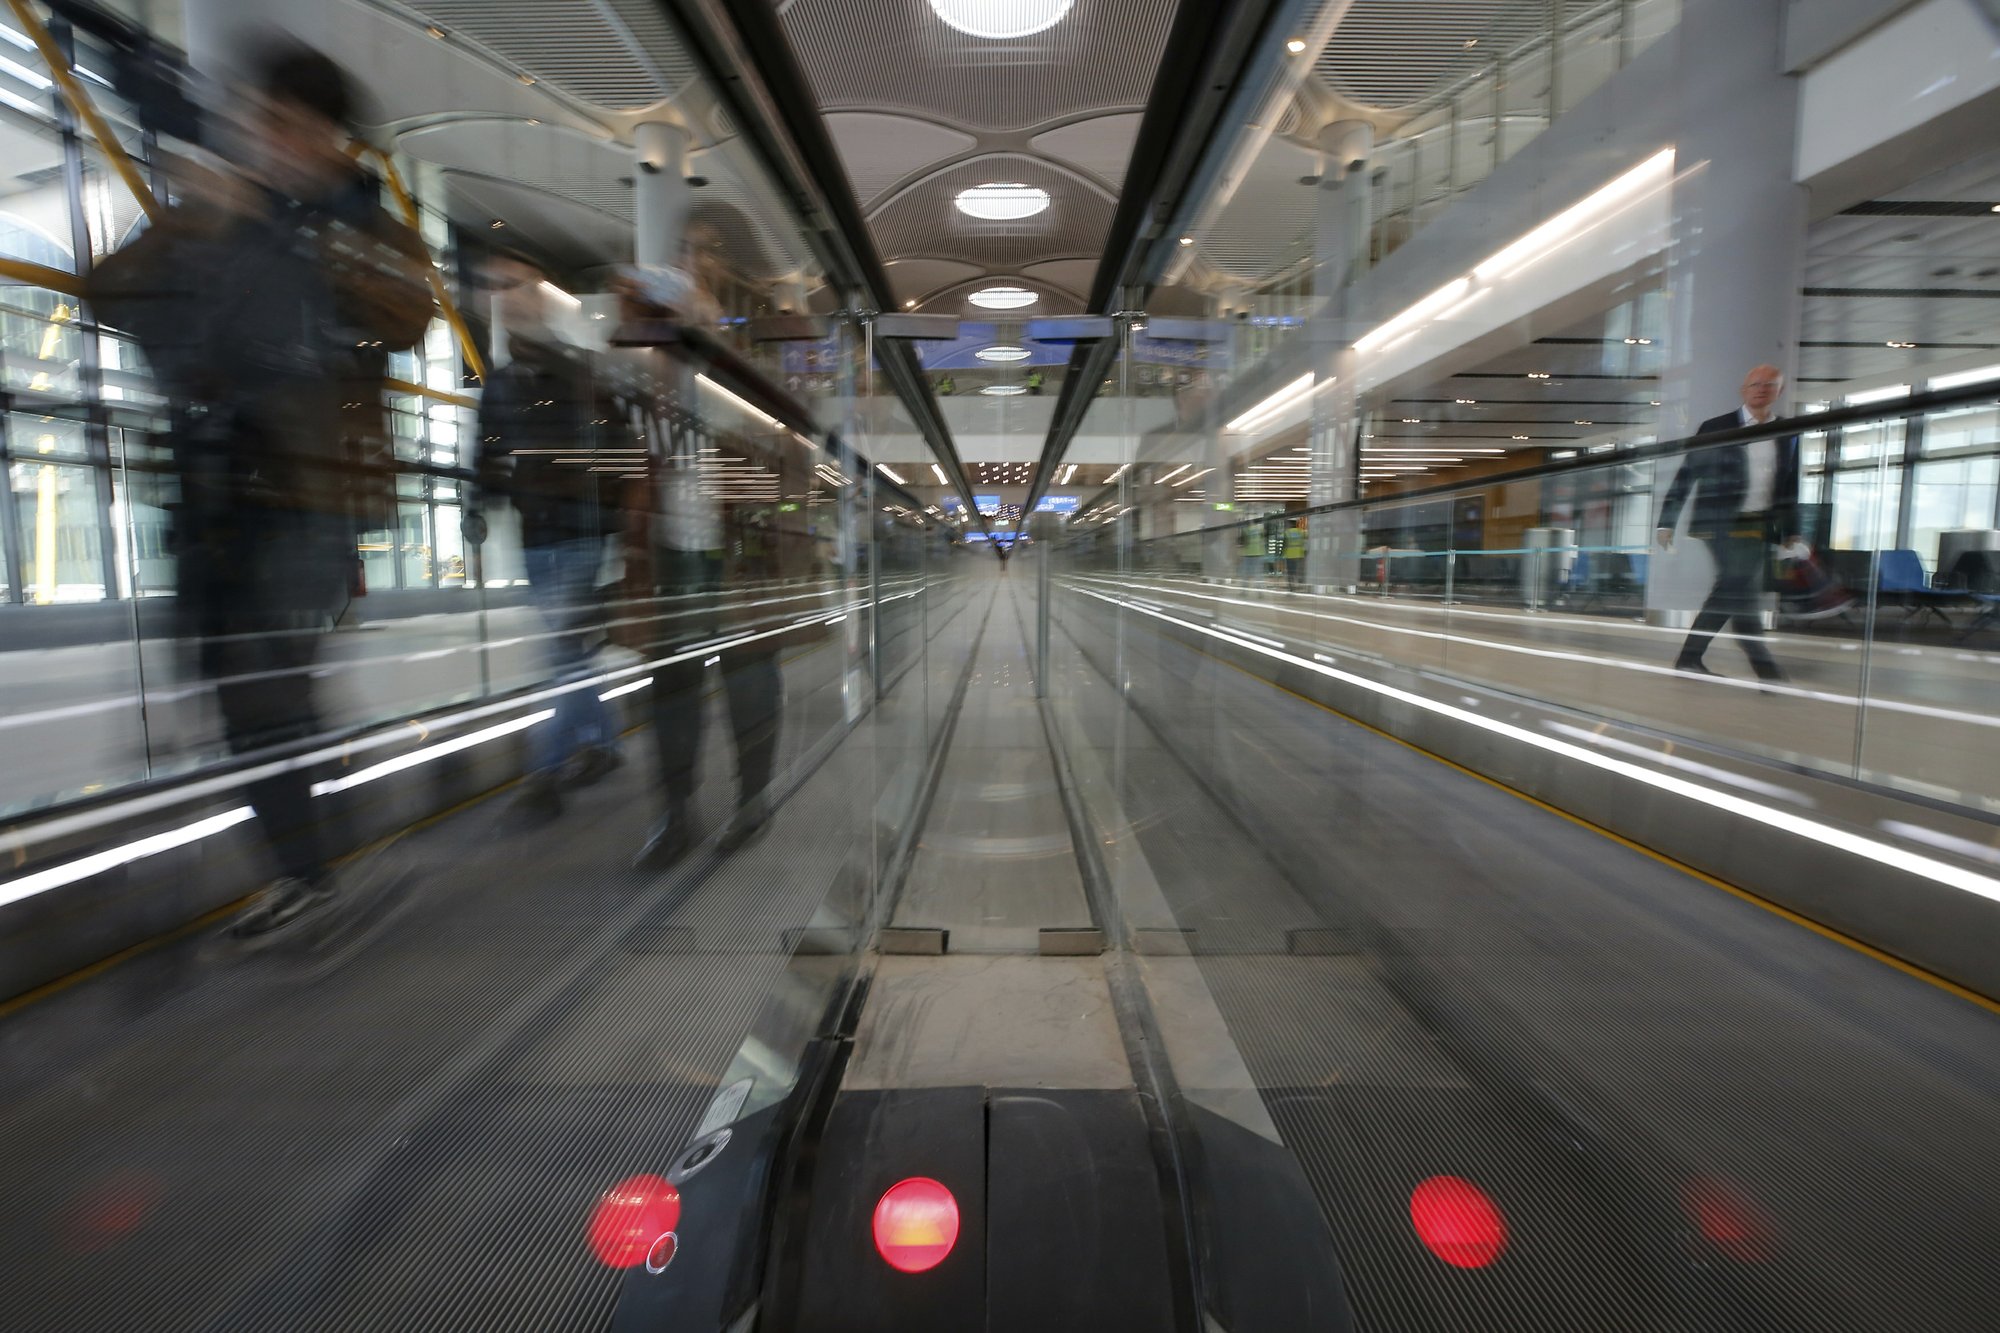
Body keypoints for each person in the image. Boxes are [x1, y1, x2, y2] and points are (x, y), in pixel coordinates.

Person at [88, 42, 434, 934]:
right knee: (225, 682)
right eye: (262, 121)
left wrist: (290, 235)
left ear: (333, 141)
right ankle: (314, 854)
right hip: (212, 494)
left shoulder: (366, 225)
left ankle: (314, 867)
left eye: (291, 127)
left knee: (263, 684)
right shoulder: (216, 209)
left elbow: (407, 314)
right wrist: (192, 222)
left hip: (312, 492)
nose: (271, 141)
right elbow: (105, 293)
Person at [612, 264, 799, 871]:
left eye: (647, 320)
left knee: (748, 682)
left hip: (738, 560)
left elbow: (784, 464)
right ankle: (675, 812)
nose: (637, 334)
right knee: (673, 690)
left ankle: (752, 799)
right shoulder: (632, 388)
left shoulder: (736, 385)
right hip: (670, 560)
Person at [469, 251, 624, 823]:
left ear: (538, 295)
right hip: (537, 534)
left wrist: (612, 523)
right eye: (492, 286)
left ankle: (545, 772)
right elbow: (486, 449)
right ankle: (605, 744)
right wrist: (476, 505)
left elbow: (617, 450)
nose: (502, 296)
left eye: (512, 285)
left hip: (580, 533)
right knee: (572, 654)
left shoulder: (577, 370)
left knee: (562, 652)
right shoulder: (502, 383)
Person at [1654, 364, 1800, 682]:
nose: (1761, 389)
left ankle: (1690, 660)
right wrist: (1666, 522)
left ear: (1780, 390)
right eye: (1755, 384)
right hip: (1719, 523)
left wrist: (1791, 531)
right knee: (1735, 586)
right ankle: (1767, 671)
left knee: (1736, 591)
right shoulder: (1716, 427)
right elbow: (1687, 474)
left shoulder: (1787, 432)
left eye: (1769, 384)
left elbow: (1789, 485)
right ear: (1743, 390)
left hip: (1760, 525)